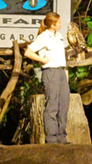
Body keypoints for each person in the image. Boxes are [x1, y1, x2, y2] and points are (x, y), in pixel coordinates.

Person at [24, 12, 70, 144]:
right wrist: (42, 60)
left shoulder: (59, 36)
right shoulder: (44, 36)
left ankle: (62, 137)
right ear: (52, 24)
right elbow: (28, 52)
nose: (61, 24)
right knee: (52, 105)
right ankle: (51, 139)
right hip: (51, 72)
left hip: (61, 71)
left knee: (64, 104)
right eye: (58, 22)